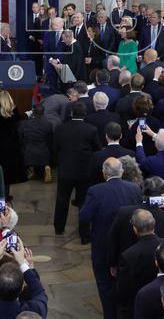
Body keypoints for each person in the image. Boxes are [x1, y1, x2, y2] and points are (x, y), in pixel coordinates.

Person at [79, 157, 143, 319]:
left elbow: (84, 217)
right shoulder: (134, 189)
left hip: (103, 248)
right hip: (129, 247)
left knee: (106, 289)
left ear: (104, 173)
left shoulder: (95, 191)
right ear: (121, 172)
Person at [52, 101, 98, 237]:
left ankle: (59, 228)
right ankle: (84, 233)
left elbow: (54, 148)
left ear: (71, 113)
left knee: (62, 200)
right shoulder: (91, 129)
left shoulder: (61, 128)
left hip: (65, 170)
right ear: (85, 113)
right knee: (83, 201)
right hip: (84, 172)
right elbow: (97, 148)